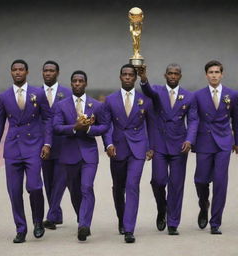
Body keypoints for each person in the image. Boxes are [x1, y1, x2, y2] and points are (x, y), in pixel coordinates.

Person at [0, 59, 52, 243]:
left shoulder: (38, 93)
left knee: (34, 186)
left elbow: (48, 119)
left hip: (34, 147)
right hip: (12, 149)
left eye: (21, 70)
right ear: (11, 73)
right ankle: (21, 229)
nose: (17, 72)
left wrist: (47, 143)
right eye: (14, 70)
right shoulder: (4, 96)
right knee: (14, 191)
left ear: (27, 72)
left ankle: (38, 221)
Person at [139, 63, 198, 235]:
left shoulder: (189, 96)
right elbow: (147, 90)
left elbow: (193, 120)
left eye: (176, 74)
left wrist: (189, 139)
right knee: (158, 180)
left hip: (180, 144)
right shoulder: (157, 91)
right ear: (165, 75)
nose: (173, 76)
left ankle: (173, 223)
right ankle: (161, 208)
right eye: (170, 73)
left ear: (180, 76)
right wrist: (143, 78)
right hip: (159, 144)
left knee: (176, 185)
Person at [52, 70, 108, 241]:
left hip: (89, 154)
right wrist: (75, 127)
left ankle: (84, 225)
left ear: (86, 84)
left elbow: (104, 126)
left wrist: (90, 129)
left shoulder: (96, 105)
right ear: (71, 84)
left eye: (80, 81)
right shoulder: (61, 105)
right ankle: (81, 217)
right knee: (75, 192)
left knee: (87, 187)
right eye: (74, 81)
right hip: (68, 154)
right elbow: (56, 127)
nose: (77, 83)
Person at [102, 64, 153, 243]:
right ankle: (121, 218)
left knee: (132, 185)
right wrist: (108, 144)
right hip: (117, 148)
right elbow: (107, 125)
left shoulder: (144, 99)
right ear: (120, 77)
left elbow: (151, 125)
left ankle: (129, 228)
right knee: (119, 188)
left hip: (137, 148)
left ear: (135, 77)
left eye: (131, 74)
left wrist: (150, 146)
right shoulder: (110, 100)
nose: (128, 77)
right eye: (124, 74)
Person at [193, 60, 238, 235]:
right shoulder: (198, 95)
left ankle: (215, 222)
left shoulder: (232, 94)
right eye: (210, 72)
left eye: (217, 72)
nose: (214, 75)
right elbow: (194, 119)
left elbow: (236, 119)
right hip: (204, 141)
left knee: (220, 182)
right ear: (206, 75)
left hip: (224, 143)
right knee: (200, 180)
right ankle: (204, 205)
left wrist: (236, 141)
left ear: (222, 74)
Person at [41, 61, 72, 230]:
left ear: (57, 73)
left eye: (51, 70)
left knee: (61, 180)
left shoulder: (67, 93)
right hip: (42, 145)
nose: (48, 73)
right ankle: (56, 215)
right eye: (45, 70)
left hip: (63, 144)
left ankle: (51, 215)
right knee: (48, 182)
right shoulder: (36, 94)